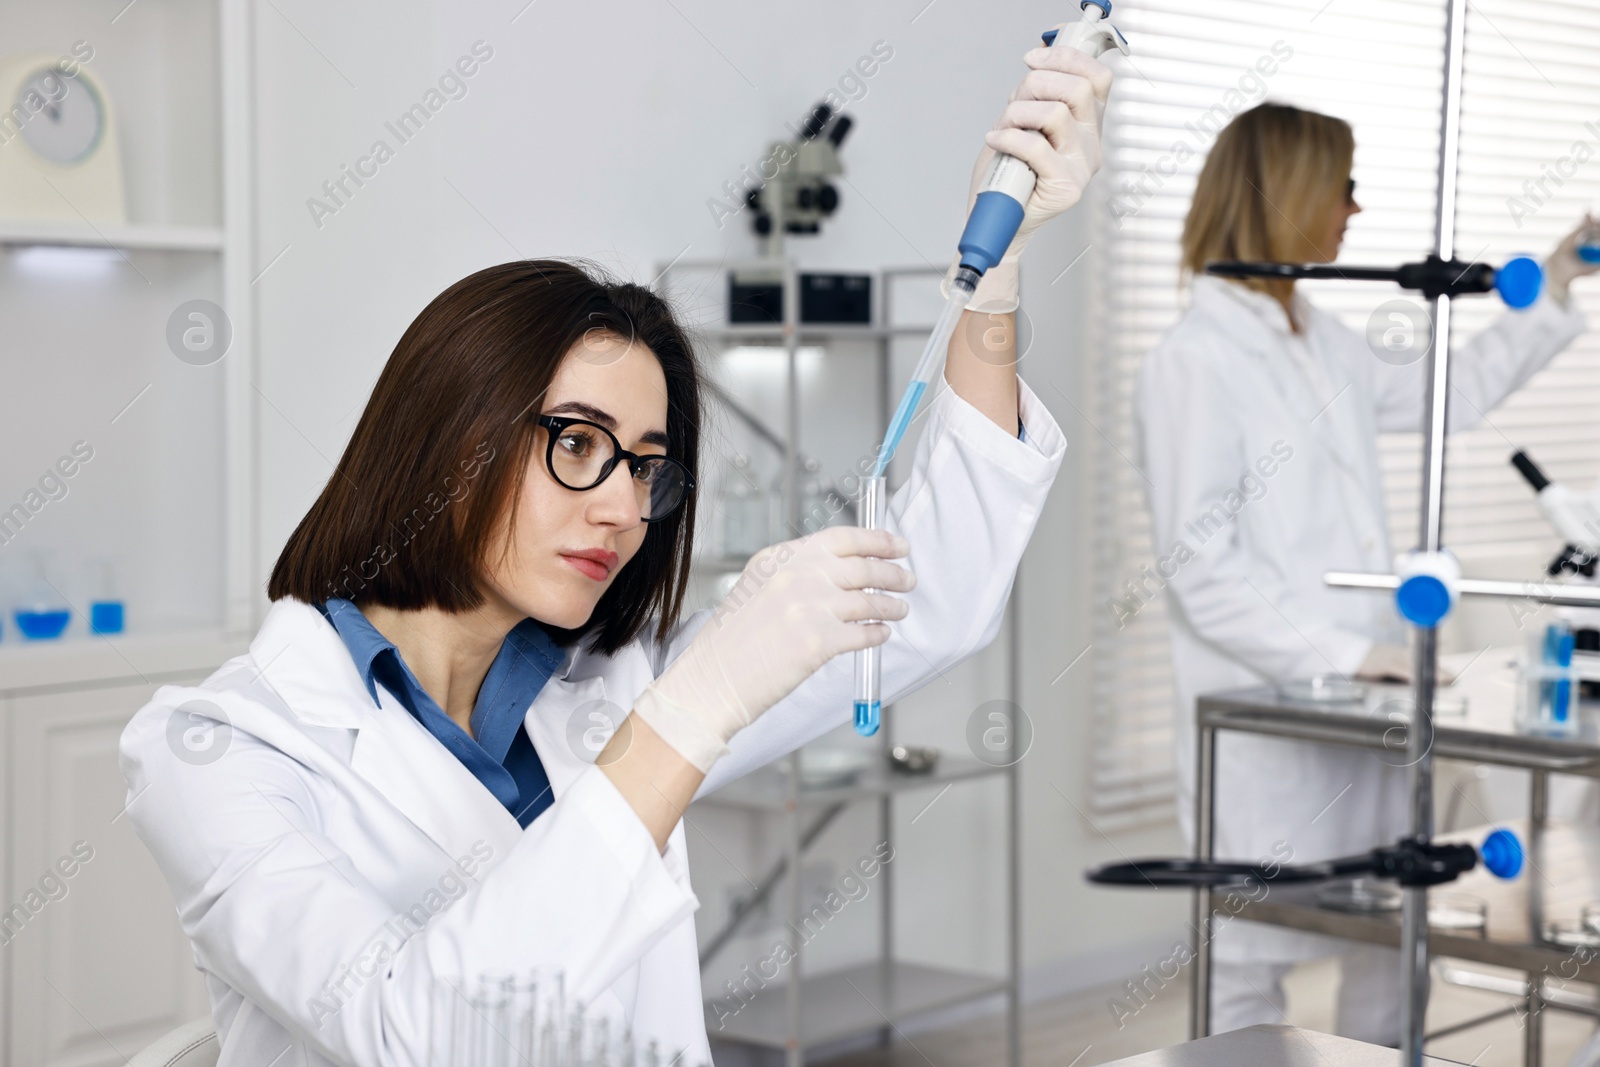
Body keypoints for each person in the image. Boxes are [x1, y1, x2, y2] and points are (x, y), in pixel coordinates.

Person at [117, 43, 1113, 1067]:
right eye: (579, 444)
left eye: (645, 466)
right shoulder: (224, 750)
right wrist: (694, 704)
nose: (623, 508)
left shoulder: (598, 684)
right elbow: (409, 1028)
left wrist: (991, 286)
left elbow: (929, 594)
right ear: (448, 435)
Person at [1134, 102, 1596, 1042]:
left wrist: (1552, 282)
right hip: (1268, 717)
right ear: (1291, 193)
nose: (1354, 208)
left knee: (1394, 937)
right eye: (1342, 186)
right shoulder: (1195, 360)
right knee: (1249, 961)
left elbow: (1453, 395)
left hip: (1362, 706)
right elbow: (1199, 568)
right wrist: (1350, 653)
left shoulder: (1324, 341)